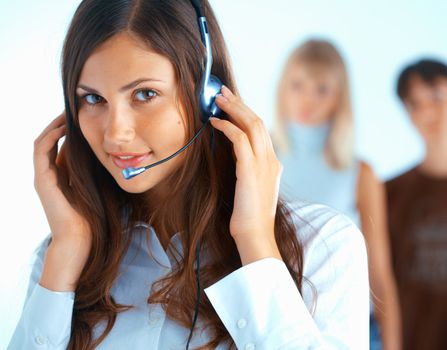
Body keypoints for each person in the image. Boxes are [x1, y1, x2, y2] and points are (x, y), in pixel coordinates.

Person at [7, 1, 369, 349]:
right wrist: (66, 249)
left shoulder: (323, 247)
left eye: (145, 94)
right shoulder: (63, 256)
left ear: (206, 95)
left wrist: (255, 243)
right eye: (92, 99)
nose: (115, 134)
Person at [271, 39, 401, 350]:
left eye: (322, 89)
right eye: (297, 84)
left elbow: (379, 273)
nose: (307, 98)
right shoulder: (257, 157)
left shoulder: (361, 174)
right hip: (274, 322)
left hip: (348, 328)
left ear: (339, 97)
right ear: (282, 87)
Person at [386, 58, 447, 350]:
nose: (427, 111)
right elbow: (381, 285)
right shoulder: (389, 192)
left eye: (436, 95)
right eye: (414, 103)